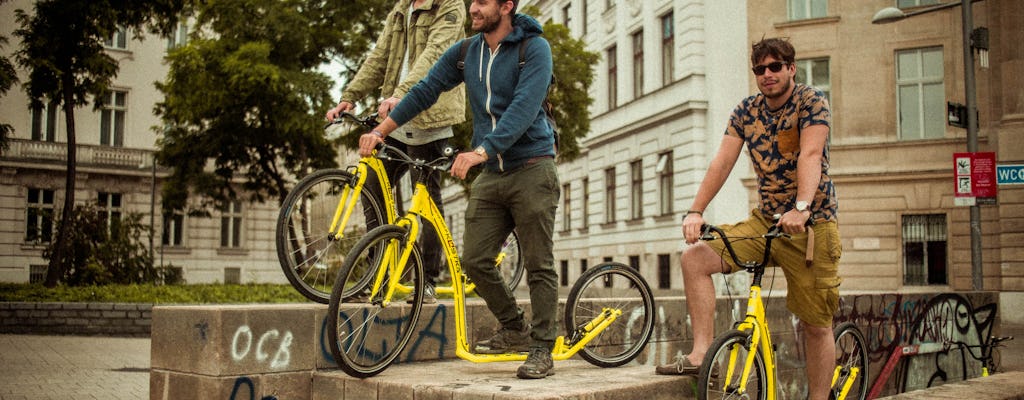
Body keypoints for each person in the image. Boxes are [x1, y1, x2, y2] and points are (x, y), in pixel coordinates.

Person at [356, 0, 558, 380]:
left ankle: (543, 346)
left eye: (483, 3)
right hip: (492, 174)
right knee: (474, 260)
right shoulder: (467, 52)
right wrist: (380, 131)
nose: (473, 10)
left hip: (532, 167)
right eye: (472, 3)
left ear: (507, 6)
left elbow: (523, 108)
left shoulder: (534, 48)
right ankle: (514, 328)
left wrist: (481, 151)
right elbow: (425, 90)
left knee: (538, 264)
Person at [654, 37, 842, 400]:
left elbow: (811, 154)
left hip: (812, 226)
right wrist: (696, 210)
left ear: (791, 68)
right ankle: (702, 355)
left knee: (815, 325)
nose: (767, 74)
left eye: (775, 67)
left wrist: (801, 208)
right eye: (760, 69)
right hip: (765, 222)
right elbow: (722, 162)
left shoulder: (811, 101)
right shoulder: (746, 111)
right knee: (695, 258)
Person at [325, 0, 467, 303]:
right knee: (374, 190)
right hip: (395, 121)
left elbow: (435, 56)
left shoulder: (450, 6)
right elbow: (379, 56)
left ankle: (427, 279)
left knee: (426, 197)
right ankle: (376, 276)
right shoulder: (402, 7)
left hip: (432, 118)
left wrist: (401, 94)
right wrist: (349, 97)